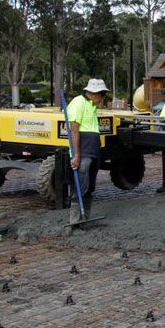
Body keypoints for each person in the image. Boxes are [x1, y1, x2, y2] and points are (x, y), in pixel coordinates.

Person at [66, 79, 108, 224]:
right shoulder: (78, 102)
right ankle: (75, 219)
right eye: (101, 94)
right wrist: (76, 155)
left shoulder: (92, 105)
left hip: (93, 149)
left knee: (90, 185)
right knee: (81, 184)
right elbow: (74, 130)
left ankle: (85, 217)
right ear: (92, 93)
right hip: (83, 150)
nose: (102, 97)